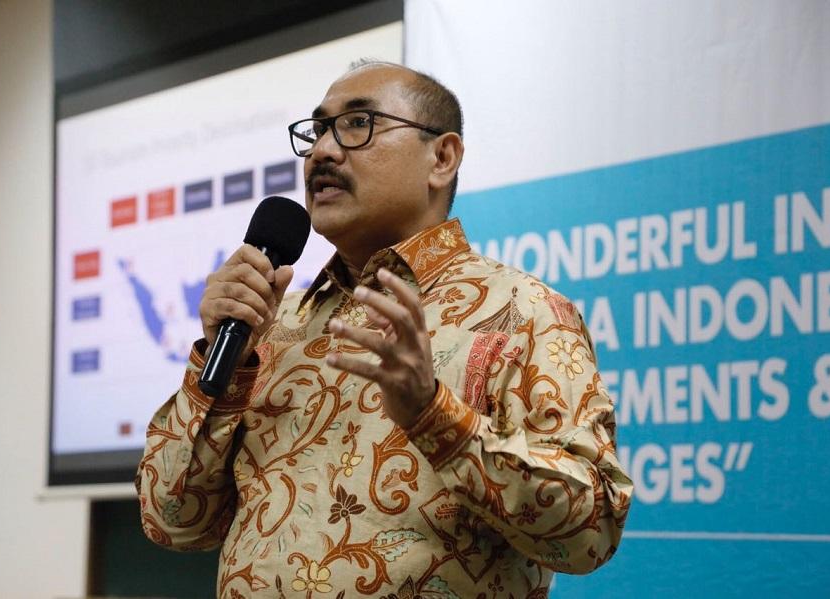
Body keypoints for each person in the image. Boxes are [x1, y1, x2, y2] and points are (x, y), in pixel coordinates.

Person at [137, 61, 632, 598]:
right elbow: (172, 522)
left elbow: (592, 532)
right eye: (318, 130)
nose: (323, 151)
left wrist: (434, 416)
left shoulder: (522, 312)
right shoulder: (274, 327)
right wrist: (222, 361)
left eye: (358, 123)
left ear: (442, 158)